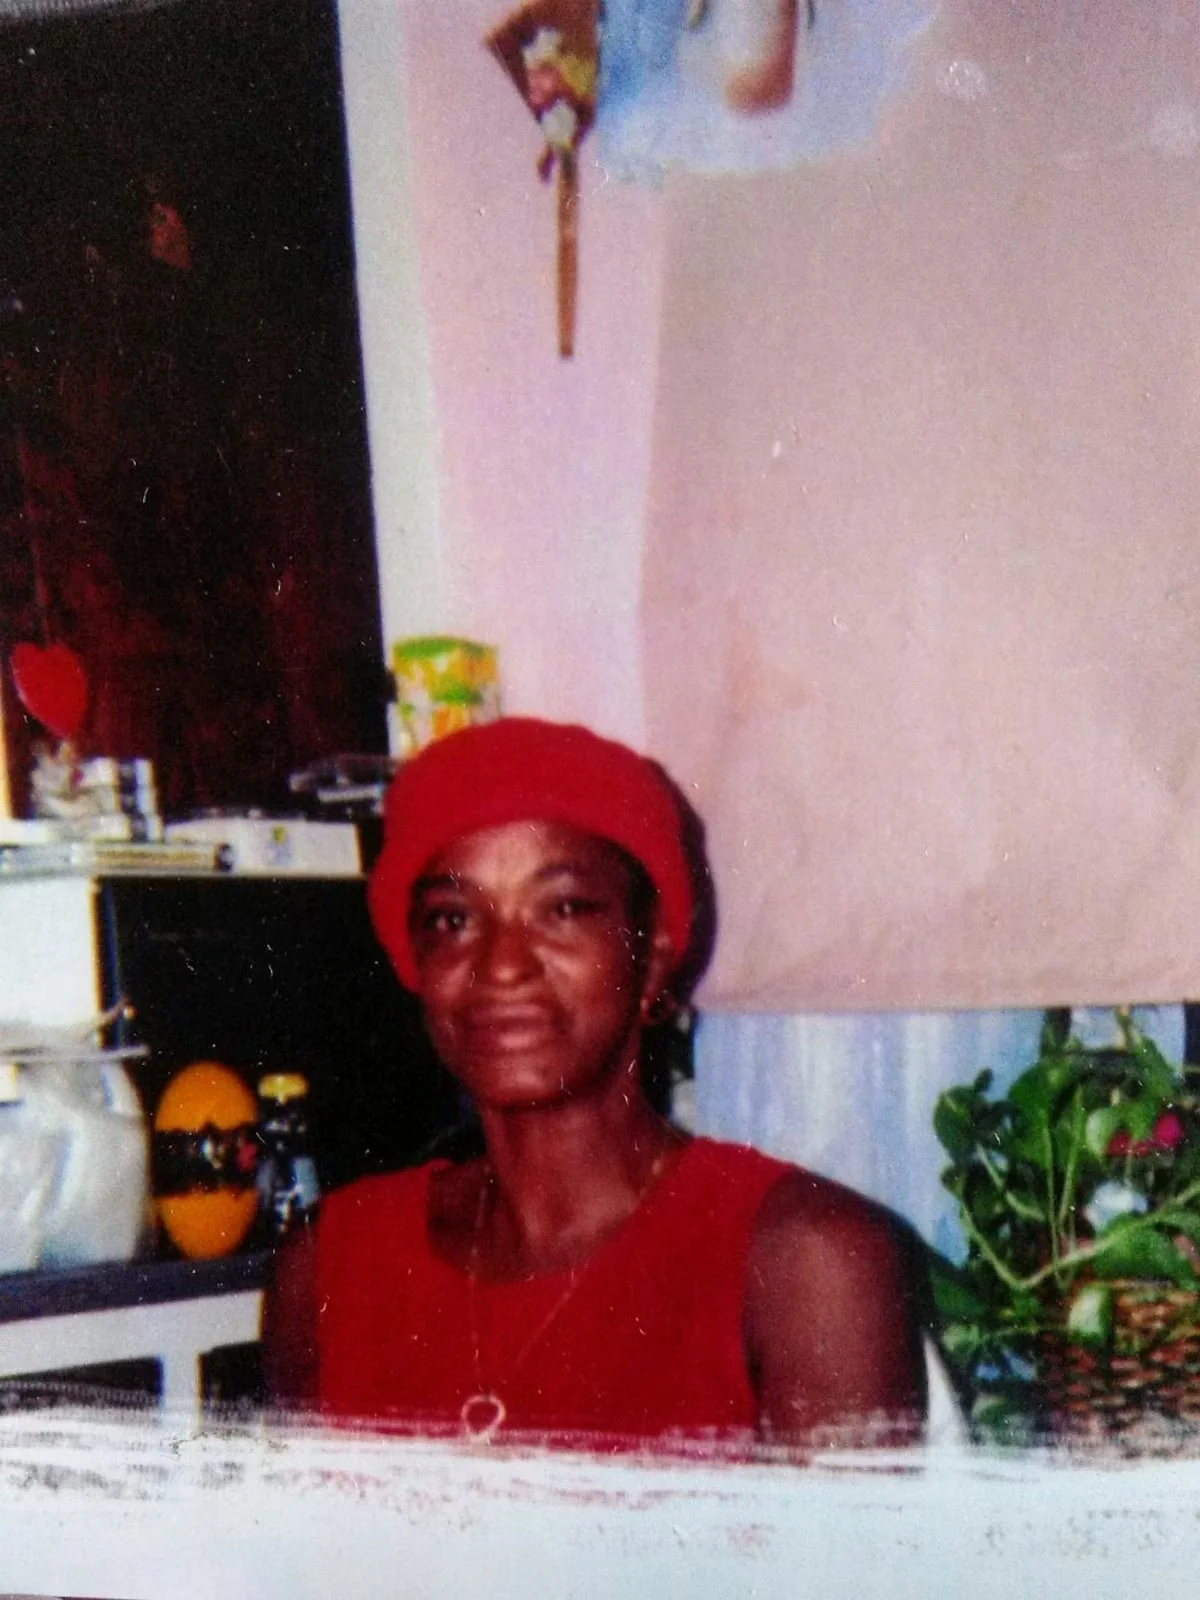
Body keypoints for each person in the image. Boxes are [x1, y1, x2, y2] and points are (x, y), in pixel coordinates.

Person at [263, 717, 926, 1451]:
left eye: (564, 909)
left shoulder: (806, 1261)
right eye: (453, 919)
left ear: (654, 959)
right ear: (415, 964)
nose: (501, 965)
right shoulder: (330, 1267)